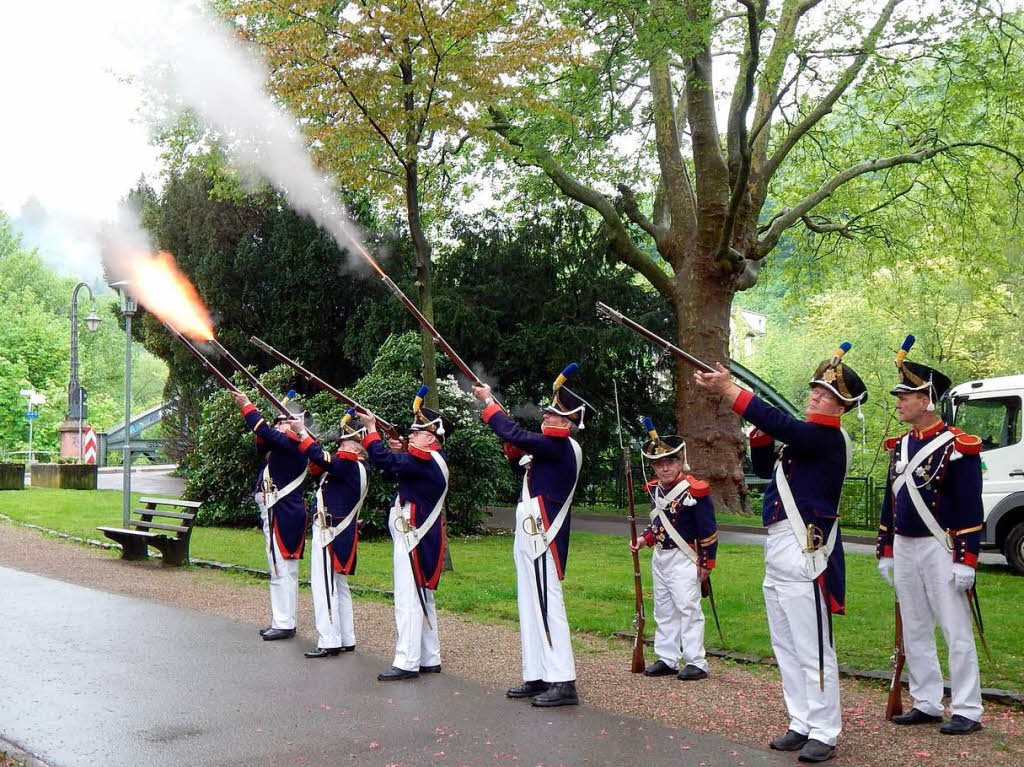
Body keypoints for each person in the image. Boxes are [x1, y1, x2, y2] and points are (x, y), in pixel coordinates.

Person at [694, 342, 867, 764]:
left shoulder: (827, 437)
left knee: (813, 648)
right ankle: (801, 720)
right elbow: (763, 467)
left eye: (823, 394)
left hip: (808, 550)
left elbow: (785, 427)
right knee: (786, 645)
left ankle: (825, 729)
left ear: (841, 406)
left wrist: (731, 392)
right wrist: (760, 438)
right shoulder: (806, 439)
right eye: (814, 390)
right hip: (780, 546)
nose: (813, 396)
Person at [875, 335, 984, 735]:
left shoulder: (957, 446)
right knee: (916, 627)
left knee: (955, 630)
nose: (900, 402)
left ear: (926, 400)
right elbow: (890, 503)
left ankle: (968, 708)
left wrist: (966, 560)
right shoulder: (900, 446)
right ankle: (926, 700)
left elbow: (972, 509)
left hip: (943, 548)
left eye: (906, 396)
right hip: (904, 547)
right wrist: (885, 548)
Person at [472, 364, 593, 707]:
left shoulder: (562, 445)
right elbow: (516, 444)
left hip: (544, 536)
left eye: (555, 416)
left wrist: (489, 403)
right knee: (529, 605)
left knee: (547, 604)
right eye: (549, 414)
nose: (547, 419)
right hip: (530, 534)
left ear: (568, 423)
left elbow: (516, 436)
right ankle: (538, 674)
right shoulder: (550, 447)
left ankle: (563, 680)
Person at [359, 386, 451, 681]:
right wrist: (396, 448)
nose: (411, 436)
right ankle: (429, 656)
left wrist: (371, 431)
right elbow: (400, 464)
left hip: (414, 536)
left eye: (417, 433)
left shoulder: (425, 460)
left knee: (408, 598)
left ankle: (407, 661)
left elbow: (385, 462)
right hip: (418, 536)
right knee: (421, 596)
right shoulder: (430, 460)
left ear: (431, 437)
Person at [629, 419, 717, 681]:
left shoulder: (695, 491)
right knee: (664, 609)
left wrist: (706, 562)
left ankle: (696, 661)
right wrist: (645, 539)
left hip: (685, 558)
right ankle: (667, 657)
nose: (664, 468)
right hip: (661, 557)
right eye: (659, 464)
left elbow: (708, 530)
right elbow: (658, 521)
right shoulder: (656, 489)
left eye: (670, 462)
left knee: (688, 609)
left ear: (680, 463)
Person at [231, 390, 310, 641]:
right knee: (281, 570)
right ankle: (282, 619)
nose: (278, 425)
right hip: (281, 512)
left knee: (281, 569)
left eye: (283, 421)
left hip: (284, 513)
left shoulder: (294, 444)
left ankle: (285, 622)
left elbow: (264, 431)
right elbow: (262, 437)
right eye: (277, 422)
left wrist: (247, 405)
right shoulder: (285, 445)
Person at [293, 409, 369, 658]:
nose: (340, 447)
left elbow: (320, 456)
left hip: (330, 532)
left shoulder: (349, 465)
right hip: (336, 531)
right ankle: (346, 637)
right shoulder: (353, 467)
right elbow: (319, 462)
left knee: (323, 585)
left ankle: (329, 640)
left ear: (358, 447)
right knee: (339, 585)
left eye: (346, 442)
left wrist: (302, 432)